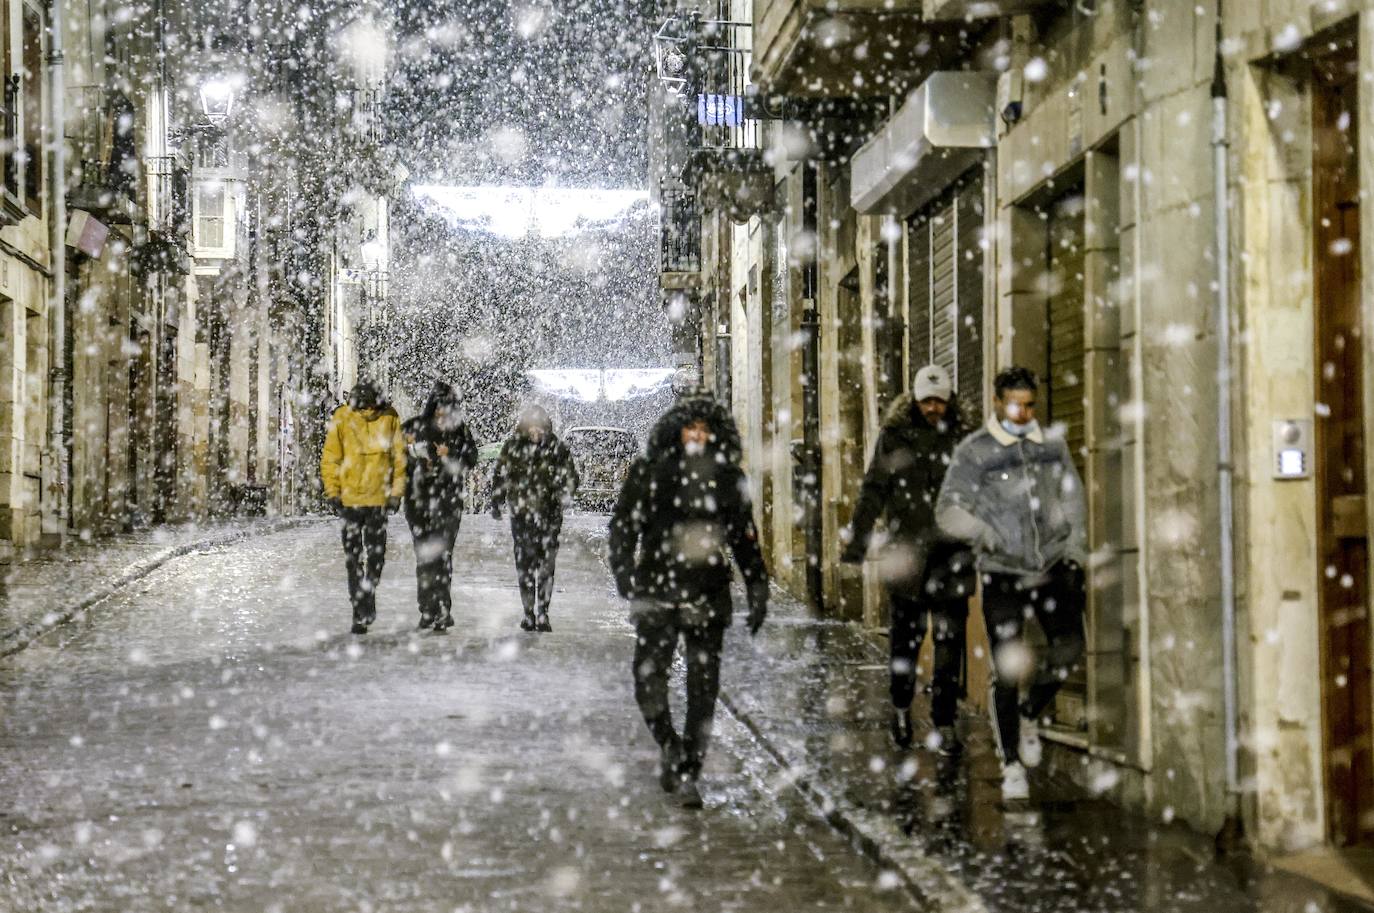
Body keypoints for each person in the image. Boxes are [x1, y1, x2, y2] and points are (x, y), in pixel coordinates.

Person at [608, 389, 769, 809]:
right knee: (648, 682)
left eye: (704, 430)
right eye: (690, 428)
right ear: (676, 432)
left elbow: (743, 536)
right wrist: (624, 571)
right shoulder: (649, 474)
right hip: (657, 590)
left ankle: (689, 769)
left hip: (707, 592)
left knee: (703, 688)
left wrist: (756, 584)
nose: (697, 436)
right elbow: (624, 525)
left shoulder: (727, 479)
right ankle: (669, 742)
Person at [936, 366, 1087, 802]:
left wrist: (1076, 550)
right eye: (1014, 404)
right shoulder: (975, 452)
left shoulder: (1051, 445)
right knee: (1006, 669)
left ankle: (1029, 712)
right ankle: (1011, 765)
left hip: (1052, 566)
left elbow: (1072, 497)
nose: (1023, 413)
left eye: (1029, 404)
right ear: (998, 403)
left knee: (1070, 647)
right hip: (1002, 572)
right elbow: (948, 509)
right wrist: (982, 531)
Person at [841, 364, 975, 754]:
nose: (933, 407)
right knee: (906, 642)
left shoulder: (963, 439)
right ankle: (900, 708)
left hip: (953, 556)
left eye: (939, 400)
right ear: (915, 400)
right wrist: (858, 541)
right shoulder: (895, 436)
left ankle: (945, 721)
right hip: (908, 558)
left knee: (950, 644)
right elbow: (873, 490)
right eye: (927, 400)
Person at [320, 380, 406, 635]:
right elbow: (332, 458)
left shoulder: (389, 418)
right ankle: (360, 606)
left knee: (375, 557)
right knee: (353, 558)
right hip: (350, 501)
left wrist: (395, 493)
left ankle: (367, 591)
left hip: (377, 501)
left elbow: (398, 459)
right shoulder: (343, 417)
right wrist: (333, 491)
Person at [489, 405, 579, 632]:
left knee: (546, 566)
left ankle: (543, 613)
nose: (535, 432)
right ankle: (529, 612)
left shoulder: (557, 448)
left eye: (540, 427)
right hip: (522, 516)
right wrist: (497, 500)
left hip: (549, 516)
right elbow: (501, 474)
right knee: (525, 565)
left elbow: (571, 476)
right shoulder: (513, 447)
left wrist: (562, 492)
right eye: (532, 427)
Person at [403, 381, 478, 633]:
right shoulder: (415, 427)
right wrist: (411, 450)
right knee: (425, 557)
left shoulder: (458, 430)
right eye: (437, 406)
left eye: (446, 407)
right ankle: (427, 608)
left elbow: (471, 458)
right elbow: (396, 454)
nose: (441, 413)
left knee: (442, 557)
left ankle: (442, 609)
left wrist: (451, 452)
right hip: (419, 502)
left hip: (447, 503)